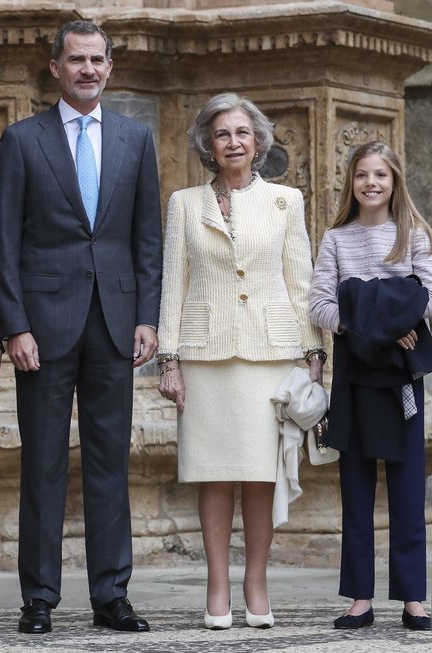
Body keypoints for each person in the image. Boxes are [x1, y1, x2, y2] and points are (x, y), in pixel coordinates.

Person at [0, 19, 161, 635]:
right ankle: (39, 597)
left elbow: (146, 238)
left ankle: (111, 595)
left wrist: (147, 316)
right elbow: (2, 244)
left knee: (111, 462)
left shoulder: (135, 139)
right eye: (76, 59)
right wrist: (14, 326)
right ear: (55, 68)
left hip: (115, 323)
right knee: (43, 464)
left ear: (110, 68)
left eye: (97, 60)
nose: (88, 69)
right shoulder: (22, 140)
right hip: (44, 327)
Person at [156, 93, 324, 630]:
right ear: (208, 144)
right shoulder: (184, 203)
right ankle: (217, 585)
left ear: (258, 143)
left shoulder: (285, 202)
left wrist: (313, 355)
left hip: (270, 354)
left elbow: (301, 281)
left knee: (260, 475)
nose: (233, 142)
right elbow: (173, 285)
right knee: (213, 474)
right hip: (205, 354)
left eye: (242, 133)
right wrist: (169, 360)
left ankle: (256, 582)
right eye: (222, 134)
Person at [309, 140, 432, 632]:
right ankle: (359, 598)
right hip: (355, 373)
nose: (371, 183)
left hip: (401, 374)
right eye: (362, 174)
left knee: (407, 483)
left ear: (394, 181)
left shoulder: (412, 235)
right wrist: (381, 316)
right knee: (356, 483)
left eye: (380, 175)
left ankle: (413, 597)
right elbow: (322, 305)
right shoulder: (336, 239)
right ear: (352, 182)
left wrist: (367, 302)